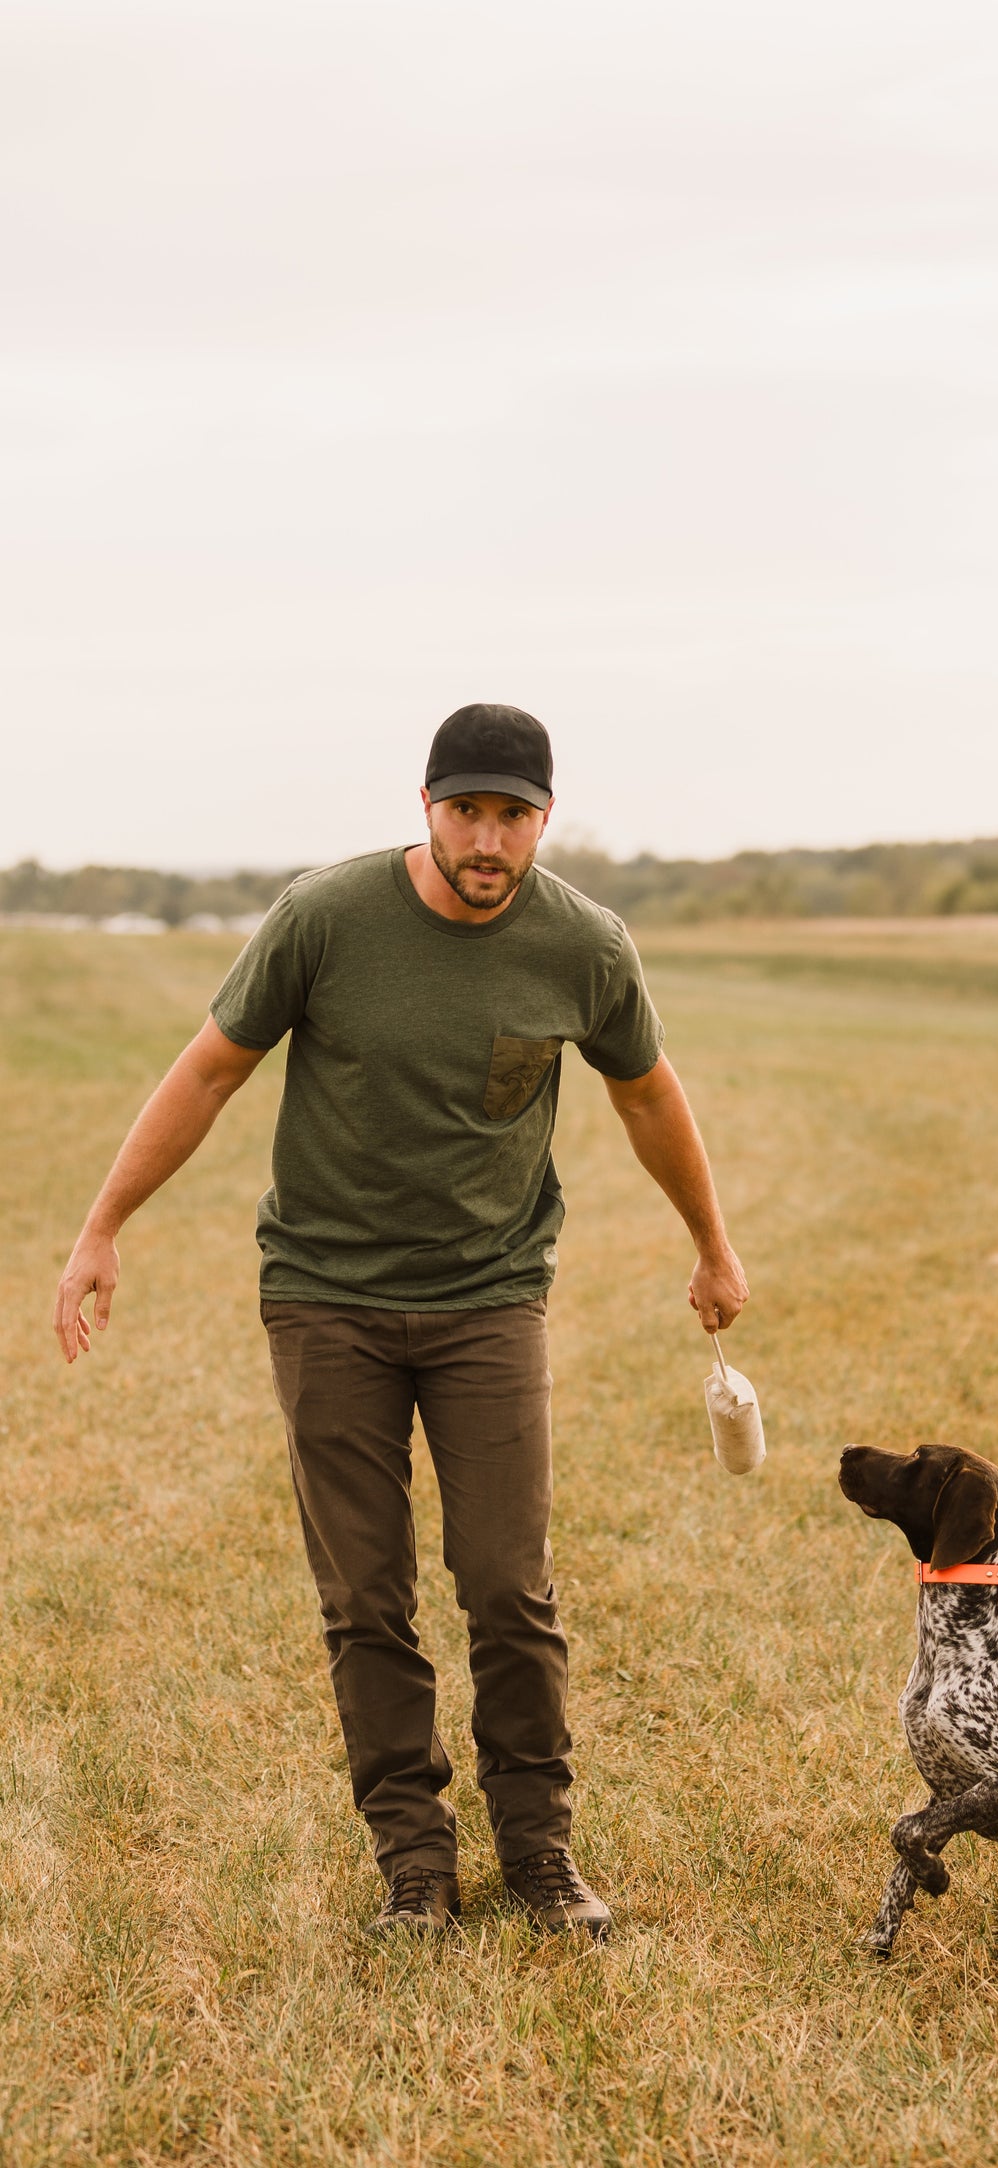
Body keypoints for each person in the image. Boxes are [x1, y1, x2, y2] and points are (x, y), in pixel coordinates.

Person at [52, 703, 749, 1941]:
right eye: (465, 810)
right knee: (364, 1597)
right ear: (424, 807)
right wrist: (103, 1223)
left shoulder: (584, 945)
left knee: (505, 1584)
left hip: (489, 1299)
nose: (487, 839)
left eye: (512, 815)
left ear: (544, 818)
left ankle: (539, 1854)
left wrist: (710, 1241)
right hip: (325, 1298)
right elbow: (210, 1066)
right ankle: (414, 1865)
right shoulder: (326, 919)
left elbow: (647, 1094)